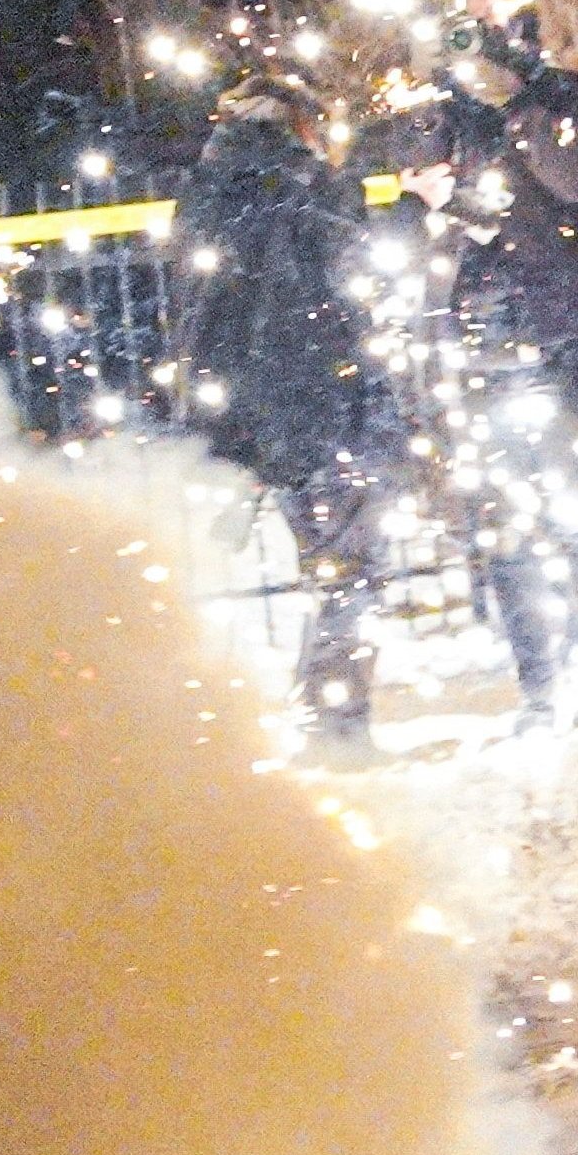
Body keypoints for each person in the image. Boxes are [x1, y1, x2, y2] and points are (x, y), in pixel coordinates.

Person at [429, 0, 578, 731]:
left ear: (520, 6)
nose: (477, 13)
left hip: (565, 329)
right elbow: (444, 212)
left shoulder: (565, 94)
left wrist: (516, 94)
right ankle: (537, 691)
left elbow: (562, 180)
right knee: (507, 521)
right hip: (488, 331)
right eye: (465, 1)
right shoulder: (440, 108)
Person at [168, 71, 400, 760]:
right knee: (349, 573)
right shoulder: (313, 191)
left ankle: (219, 727)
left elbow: (196, 311)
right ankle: (335, 725)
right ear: (302, 124)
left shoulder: (204, 197)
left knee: (297, 573)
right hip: (321, 408)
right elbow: (352, 289)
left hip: (240, 412)